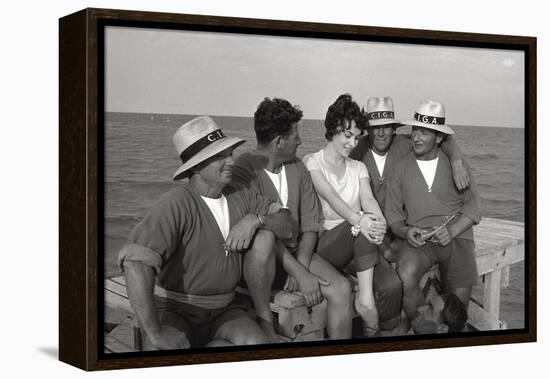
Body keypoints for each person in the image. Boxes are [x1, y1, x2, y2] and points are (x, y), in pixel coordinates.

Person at [118, 116, 298, 349]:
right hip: (174, 310)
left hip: (225, 309)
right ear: (196, 166)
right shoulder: (177, 202)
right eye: (220, 157)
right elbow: (134, 262)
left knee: (256, 342)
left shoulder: (240, 194)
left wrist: (257, 219)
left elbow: (288, 227)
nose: (231, 161)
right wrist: (155, 332)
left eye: (230, 153)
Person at [231, 97, 354, 341]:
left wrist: (303, 267)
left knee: (341, 288)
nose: (300, 140)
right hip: (260, 263)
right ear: (278, 141)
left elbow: (310, 225)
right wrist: (297, 272)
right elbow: (258, 234)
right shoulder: (244, 170)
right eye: (295, 134)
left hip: (297, 255)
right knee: (264, 236)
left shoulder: (297, 167)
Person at [302, 94, 402, 337]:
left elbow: (368, 199)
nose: (352, 143)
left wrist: (380, 224)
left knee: (392, 286)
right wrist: (360, 220)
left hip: (360, 238)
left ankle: (376, 333)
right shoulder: (312, 162)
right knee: (356, 225)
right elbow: (330, 196)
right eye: (347, 136)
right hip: (327, 246)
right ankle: (365, 301)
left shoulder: (358, 167)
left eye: (357, 137)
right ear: (333, 129)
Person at [385, 100, 482, 326]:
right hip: (421, 240)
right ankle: (423, 330)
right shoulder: (400, 168)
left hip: (457, 237)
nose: (417, 137)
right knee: (405, 272)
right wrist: (406, 230)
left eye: (425, 132)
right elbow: (393, 216)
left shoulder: (455, 164)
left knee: (456, 310)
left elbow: (474, 206)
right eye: (415, 130)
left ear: (439, 138)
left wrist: (453, 230)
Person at [349, 96, 470, 262]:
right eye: (376, 127)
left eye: (386, 127)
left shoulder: (406, 144)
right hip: (370, 226)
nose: (382, 133)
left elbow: (445, 139)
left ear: (394, 129)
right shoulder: (356, 150)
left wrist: (456, 164)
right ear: (367, 130)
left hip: (400, 227)